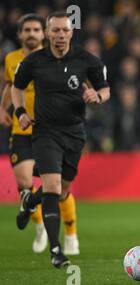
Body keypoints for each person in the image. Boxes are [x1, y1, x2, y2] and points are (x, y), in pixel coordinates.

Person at [11, 12, 110, 267]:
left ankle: (30, 201)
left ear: (71, 32)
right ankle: (56, 250)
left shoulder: (86, 60)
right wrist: (20, 112)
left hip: (75, 133)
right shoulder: (33, 61)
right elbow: (16, 87)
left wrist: (96, 97)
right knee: (53, 188)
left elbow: (105, 89)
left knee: (62, 190)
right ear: (47, 33)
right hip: (45, 133)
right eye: (55, 31)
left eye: (65, 30)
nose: (60, 35)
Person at [0, 13, 80, 255]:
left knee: (57, 188)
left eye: (36, 30)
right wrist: (3, 108)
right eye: (27, 30)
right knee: (25, 186)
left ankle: (70, 233)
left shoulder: (54, 58)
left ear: (43, 33)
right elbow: (12, 86)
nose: (32, 34)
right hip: (21, 130)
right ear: (20, 34)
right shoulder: (11, 59)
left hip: (51, 130)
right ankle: (40, 227)